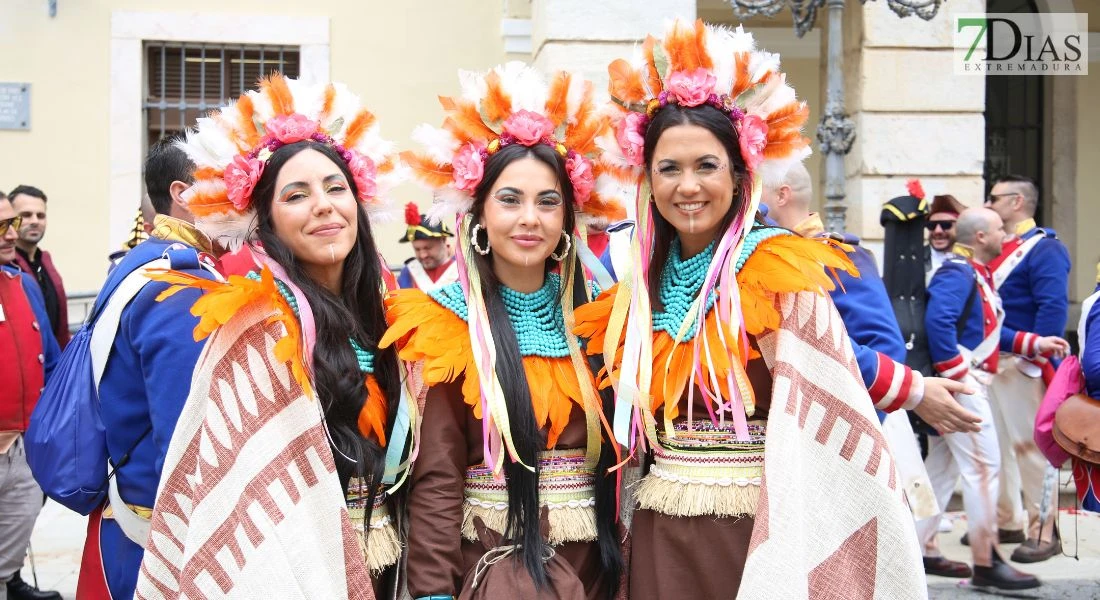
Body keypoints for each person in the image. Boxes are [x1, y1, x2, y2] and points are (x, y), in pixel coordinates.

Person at [575, 20, 926, 599]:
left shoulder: (779, 271)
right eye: (669, 168)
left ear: (741, 176)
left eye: (706, 166)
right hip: (661, 533)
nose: (688, 186)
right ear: (648, 179)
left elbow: (827, 372)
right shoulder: (633, 290)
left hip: (763, 534)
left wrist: (910, 388)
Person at [135, 75, 414, 599]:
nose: (325, 205)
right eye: (296, 195)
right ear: (265, 219)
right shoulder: (250, 329)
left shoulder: (393, 319)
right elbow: (233, 490)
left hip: (395, 568)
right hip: (295, 570)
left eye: (336, 188)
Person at [389, 62, 626, 599]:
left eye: (547, 202)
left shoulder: (600, 321)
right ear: (478, 215)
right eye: (510, 199)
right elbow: (438, 477)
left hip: (592, 566)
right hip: (492, 563)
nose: (529, 219)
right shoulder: (447, 324)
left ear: (568, 217)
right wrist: (432, 590)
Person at [73, 136, 223, 599]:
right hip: (156, 540)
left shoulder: (147, 261)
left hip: (130, 519)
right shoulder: (178, 283)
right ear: (181, 194)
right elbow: (184, 439)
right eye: (221, 178)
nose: (240, 191)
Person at [763, 162, 980, 434]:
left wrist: (841, 433)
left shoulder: (840, 257)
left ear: (782, 195)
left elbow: (885, 347)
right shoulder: (762, 252)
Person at [919, 207, 1067, 589]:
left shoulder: (974, 273)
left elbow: (985, 332)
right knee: (984, 469)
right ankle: (986, 562)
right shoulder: (958, 271)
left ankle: (916, 549)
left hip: (964, 382)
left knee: (940, 472)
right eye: (1000, 229)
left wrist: (1034, 342)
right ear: (982, 237)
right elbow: (940, 323)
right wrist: (959, 381)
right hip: (964, 385)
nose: (1006, 233)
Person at [983, 174, 1071, 562]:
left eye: (994, 198)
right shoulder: (1003, 247)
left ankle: (1044, 530)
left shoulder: (1043, 249)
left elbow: (1053, 307)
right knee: (1000, 447)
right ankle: (1009, 520)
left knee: (1031, 449)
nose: (988, 204)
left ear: (1017, 202)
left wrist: (1035, 359)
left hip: (1024, 362)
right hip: (995, 360)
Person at [0, 201, 62, 600]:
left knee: (6, 562)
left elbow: (52, 359)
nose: (12, 233)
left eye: (13, 223)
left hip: (21, 452)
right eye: (3, 225)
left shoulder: (20, 282)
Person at [7, 186, 69, 348]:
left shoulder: (45, 261)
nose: (35, 221)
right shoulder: (6, 268)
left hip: (53, 363)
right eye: (26, 215)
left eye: (40, 215)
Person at [396, 201, 457, 291]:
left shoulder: (461, 269)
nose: (423, 255)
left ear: (443, 240)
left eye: (428, 248)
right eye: (417, 249)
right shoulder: (408, 272)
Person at [925, 194, 965, 281]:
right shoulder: (914, 261)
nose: (937, 231)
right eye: (932, 225)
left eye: (945, 225)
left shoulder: (971, 258)